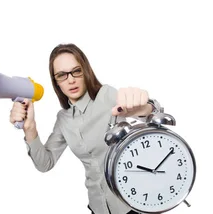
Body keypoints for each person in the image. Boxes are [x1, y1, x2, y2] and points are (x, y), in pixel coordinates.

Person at [10, 43, 160, 214]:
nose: (71, 80)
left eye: (76, 71)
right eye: (62, 75)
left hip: (129, 204)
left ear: (86, 71)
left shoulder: (106, 95)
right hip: (97, 206)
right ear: (56, 82)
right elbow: (45, 163)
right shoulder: (63, 119)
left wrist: (143, 107)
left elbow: (151, 112)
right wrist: (30, 129)